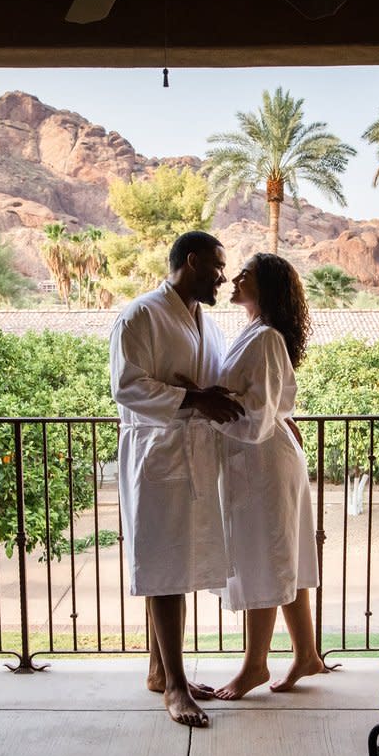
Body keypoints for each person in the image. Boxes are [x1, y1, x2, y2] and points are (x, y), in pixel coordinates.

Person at [108, 231, 245, 728]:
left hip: (195, 454)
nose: (222, 277)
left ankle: (158, 671)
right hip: (158, 455)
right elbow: (125, 385)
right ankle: (175, 686)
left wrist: (211, 396)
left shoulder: (206, 324)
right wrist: (192, 399)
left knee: (179, 563)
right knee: (165, 569)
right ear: (191, 261)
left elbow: (211, 383)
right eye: (216, 267)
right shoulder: (140, 315)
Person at [204, 253, 326, 700]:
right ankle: (307, 655)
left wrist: (203, 410)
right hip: (262, 461)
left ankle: (254, 667)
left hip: (263, 463)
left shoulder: (267, 339)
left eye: (247, 274)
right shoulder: (256, 333)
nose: (235, 277)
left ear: (267, 286)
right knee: (282, 558)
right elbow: (268, 404)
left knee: (264, 560)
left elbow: (255, 420)